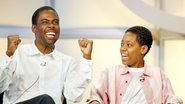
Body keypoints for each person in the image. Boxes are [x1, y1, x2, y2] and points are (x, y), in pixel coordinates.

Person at [0, 6, 93, 104]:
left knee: (46, 100)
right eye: (45, 22)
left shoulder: (67, 61)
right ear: (34, 28)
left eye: (55, 22)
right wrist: (8, 54)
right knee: (45, 99)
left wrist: (86, 58)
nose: (52, 25)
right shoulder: (17, 53)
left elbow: (75, 96)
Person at [87, 26, 183, 104]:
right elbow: (95, 96)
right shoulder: (111, 72)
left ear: (143, 49)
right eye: (122, 44)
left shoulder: (158, 74)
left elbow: (171, 98)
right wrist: (95, 101)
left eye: (129, 45)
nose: (122, 49)